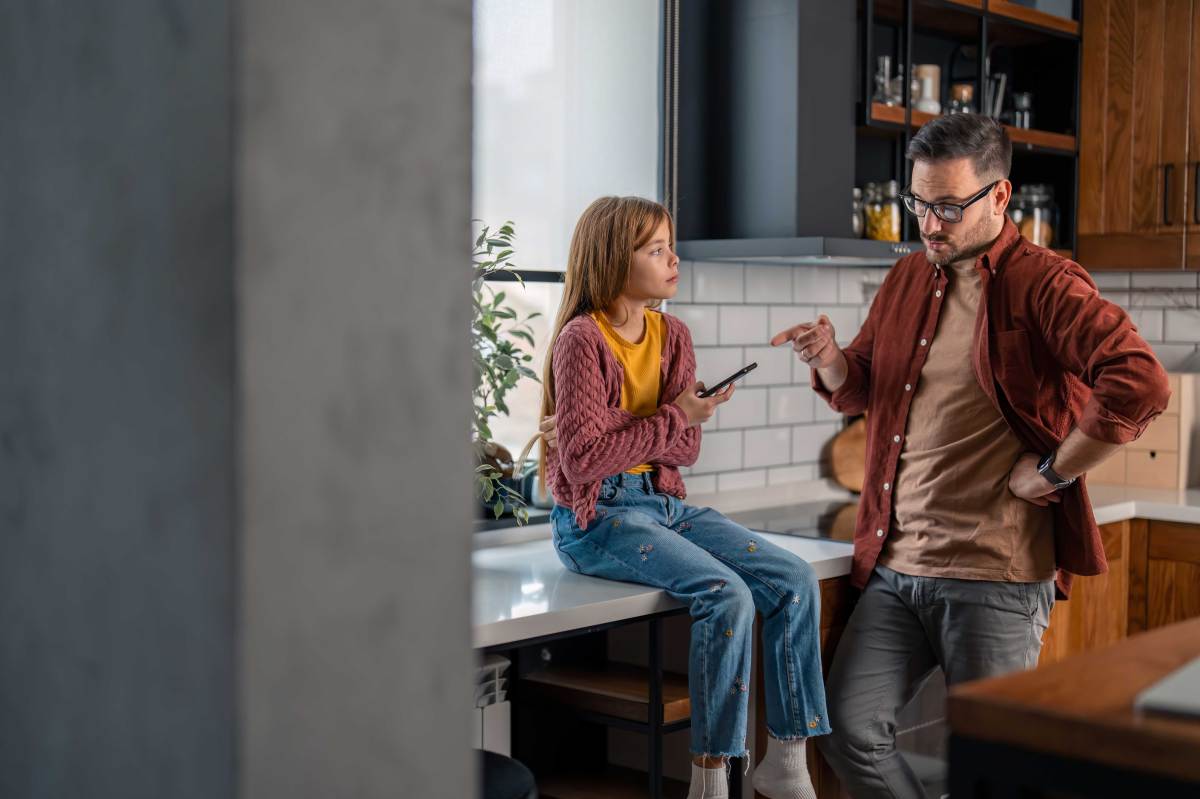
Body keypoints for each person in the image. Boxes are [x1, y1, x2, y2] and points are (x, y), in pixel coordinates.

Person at [770, 113, 1171, 799]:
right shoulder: (906, 279)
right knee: (846, 729)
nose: (930, 224)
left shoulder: (1044, 282)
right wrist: (833, 359)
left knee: (994, 763)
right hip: (897, 569)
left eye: (949, 207)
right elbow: (862, 383)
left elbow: (1141, 380)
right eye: (919, 203)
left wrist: (1054, 470)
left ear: (999, 197)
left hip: (997, 574)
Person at [541, 195, 830, 799]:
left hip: (664, 503)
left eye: (672, 245)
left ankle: (786, 759)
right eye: (657, 249)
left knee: (795, 578)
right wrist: (676, 415)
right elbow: (586, 461)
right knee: (725, 595)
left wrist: (661, 423)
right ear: (614, 259)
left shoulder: (673, 334)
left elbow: (683, 452)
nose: (675, 259)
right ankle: (711, 776)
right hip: (597, 518)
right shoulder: (580, 341)